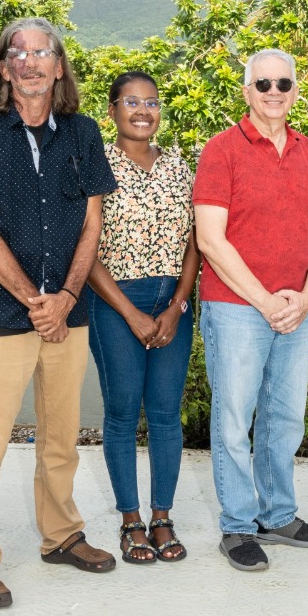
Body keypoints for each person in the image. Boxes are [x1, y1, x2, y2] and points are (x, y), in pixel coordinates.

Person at [0, 17, 118, 610]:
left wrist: (66, 298)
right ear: (3, 68)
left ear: (59, 66)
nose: (30, 62)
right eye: (17, 52)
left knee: (62, 438)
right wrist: (33, 301)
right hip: (2, 312)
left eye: (42, 52)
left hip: (69, 313)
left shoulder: (84, 134)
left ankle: (61, 535)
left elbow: (92, 223)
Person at [193, 48, 308, 572]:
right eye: (263, 84)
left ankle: (278, 515)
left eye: (283, 84)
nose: (274, 93)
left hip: (294, 309)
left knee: (284, 418)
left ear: (294, 91)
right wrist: (265, 301)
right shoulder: (221, 151)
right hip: (236, 309)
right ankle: (237, 525)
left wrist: (306, 296)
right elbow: (211, 240)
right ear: (247, 91)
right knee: (234, 420)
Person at [86, 70, 199, 565]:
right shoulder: (95, 167)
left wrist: (176, 305)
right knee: (123, 411)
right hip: (115, 301)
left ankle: (162, 517)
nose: (142, 111)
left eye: (151, 102)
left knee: (165, 413)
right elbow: (84, 252)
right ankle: (130, 520)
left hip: (173, 299)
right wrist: (131, 312)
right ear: (112, 110)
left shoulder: (179, 167)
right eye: (131, 102)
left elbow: (197, 240)